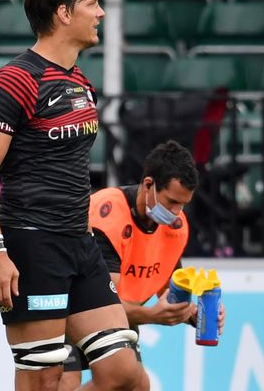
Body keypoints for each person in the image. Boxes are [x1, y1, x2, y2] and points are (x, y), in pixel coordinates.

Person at [0, 0, 142, 390]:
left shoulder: (81, 82)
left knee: (125, 376)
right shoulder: (14, 81)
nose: (101, 13)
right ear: (64, 13)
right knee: (42, 380)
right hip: (31, 244)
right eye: (92, 4)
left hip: (79, 244)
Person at [59, 140, 227, 390]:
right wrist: (151, 315)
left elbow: (170, 290)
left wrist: (193, 314)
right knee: (66, 382)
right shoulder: (109, 216)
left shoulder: (176, 227)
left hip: (121, 314)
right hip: (71, 307)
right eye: (171, 202)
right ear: (148, 184)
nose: (177, 212)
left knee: (136, 386)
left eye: (183, 204)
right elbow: (103, 305)